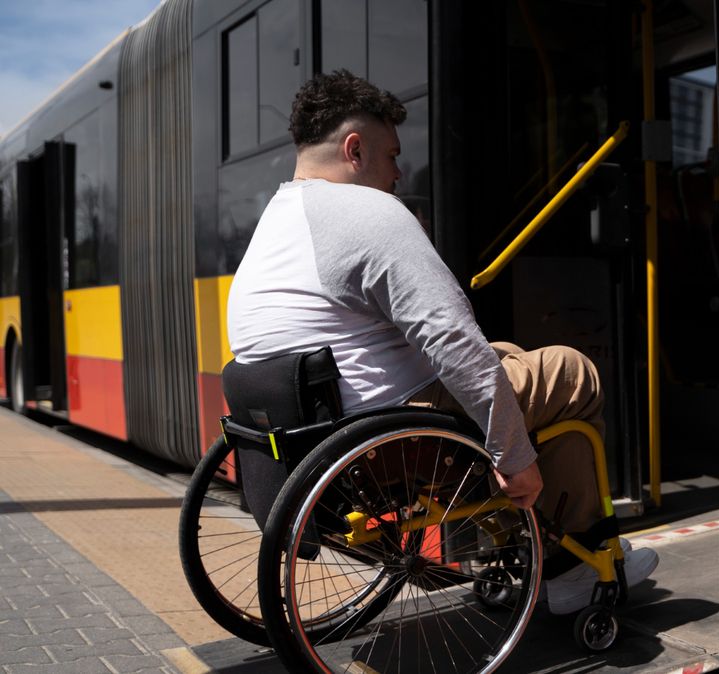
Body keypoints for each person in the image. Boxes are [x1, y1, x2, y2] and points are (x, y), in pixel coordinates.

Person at [225, 69, 656, 615]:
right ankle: (574, 567)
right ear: (355, 150)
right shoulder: (369, 212)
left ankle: (541, 543)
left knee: (508, 357)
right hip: (396, 438)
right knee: (570, 373)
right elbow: (452, 339)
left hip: (322, 436)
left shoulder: (274, 222)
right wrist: (513, 456)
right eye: (391, 156)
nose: (398, 173)